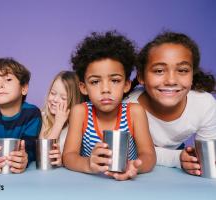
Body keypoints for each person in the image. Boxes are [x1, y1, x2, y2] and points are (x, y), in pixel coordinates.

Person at [63, 31, 156, 181]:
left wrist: (135, 166)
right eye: (95, 81)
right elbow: (68, 156)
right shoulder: (80, 112)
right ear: (83, 87)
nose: (105, 89)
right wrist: (88, 164)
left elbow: (149, 155)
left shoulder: (134, 112)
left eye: (115, 80)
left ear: (126, 85)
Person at [125, 31, 216, 176]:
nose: (171, 80)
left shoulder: (204, 104)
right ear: (142, 76)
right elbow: (130, 152)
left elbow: (208, 155)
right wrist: (176, 158)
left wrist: (195, 159)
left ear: (193, 74)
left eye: (183, 70)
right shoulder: (127, 107)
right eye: (159, 70)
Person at [0, 58, 42, 174]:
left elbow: (30, 149)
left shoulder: (32, 113)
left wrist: (24, 158)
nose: (0, 85)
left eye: (8, 79)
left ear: (24, 88)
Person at [39, 71, 82, 166]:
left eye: (63, 98)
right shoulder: (43, 117)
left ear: (73, 102)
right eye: (53, 93)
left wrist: (62, 162)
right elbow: (43, 155)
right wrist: (58, 123)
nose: (55, 100)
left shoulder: (77, 124)